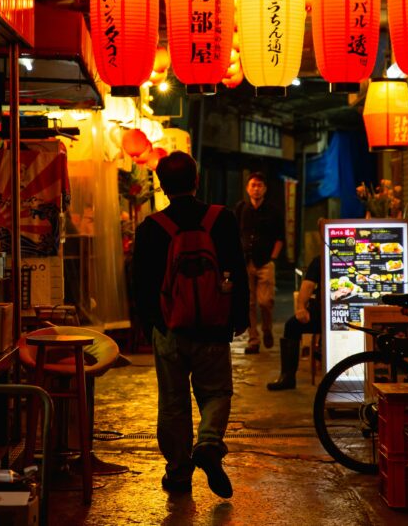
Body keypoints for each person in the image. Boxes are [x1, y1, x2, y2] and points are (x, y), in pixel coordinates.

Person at [132, 152, 250, 499]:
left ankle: (179, 472)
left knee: (173, 401)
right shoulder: (222, 219)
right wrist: (238, 317)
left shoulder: (152, 227)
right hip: (213, 326)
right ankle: (210, 443)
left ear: (162, 186)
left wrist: (152, 323)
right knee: (215, 392)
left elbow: (141, 284)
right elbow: (237, 270)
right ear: (197, 181)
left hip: (170, 328)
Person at [234, 172, 285, 354]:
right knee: (249, 303)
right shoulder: (241, 208)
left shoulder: (273, 211)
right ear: (248, 188)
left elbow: (280, 237)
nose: (256, 189)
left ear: (265, 189)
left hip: (265, 262)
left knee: (265, 301)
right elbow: (236, 234)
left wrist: (273, 258)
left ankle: (267, 329)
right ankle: (253, 339)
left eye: (260, 185)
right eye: (253, 185)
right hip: (246, 261)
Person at [267, 254, 323, 391]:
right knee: (292, 326)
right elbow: (308, 285)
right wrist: (301, 308)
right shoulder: (320, 259)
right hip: (322, 312)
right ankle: (288, 377)